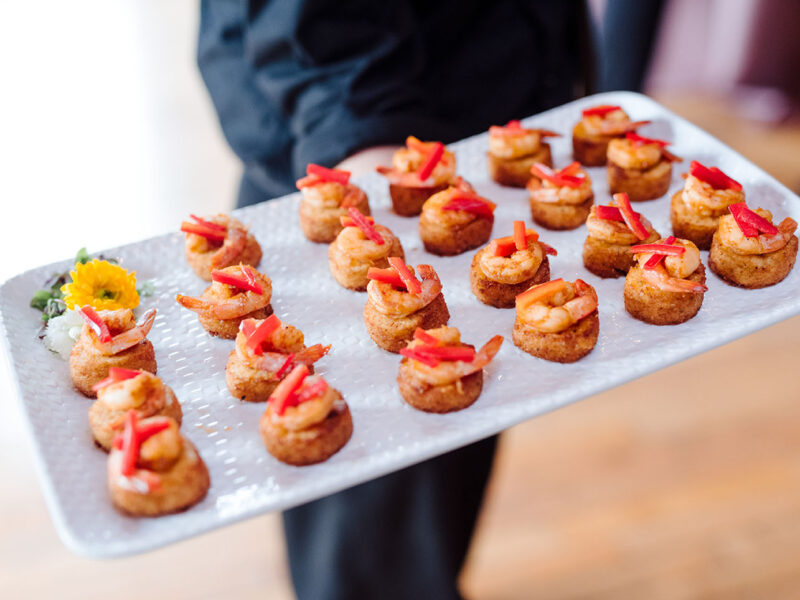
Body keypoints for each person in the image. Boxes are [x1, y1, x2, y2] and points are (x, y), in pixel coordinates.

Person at [197, 2, 659, 598]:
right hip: (354, 138)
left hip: (477, 108)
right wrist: (360, 136)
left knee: (447, 475)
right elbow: (315, 25)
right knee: (374, 540)